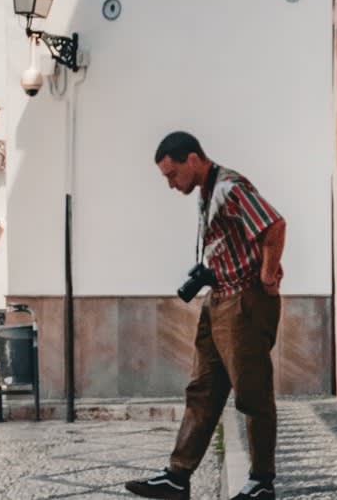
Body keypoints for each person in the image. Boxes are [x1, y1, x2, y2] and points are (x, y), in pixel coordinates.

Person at [126, 132, 286, 500]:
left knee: (253, 393)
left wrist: (267, 274)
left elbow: (274, 224)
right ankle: (177, 477)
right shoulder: (208, 191)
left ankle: (262, 482)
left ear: (193, 159)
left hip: (243, 301)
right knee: (202, 389)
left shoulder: (229, 187)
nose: (171, 184)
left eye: (172, 174)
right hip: (219, 299)